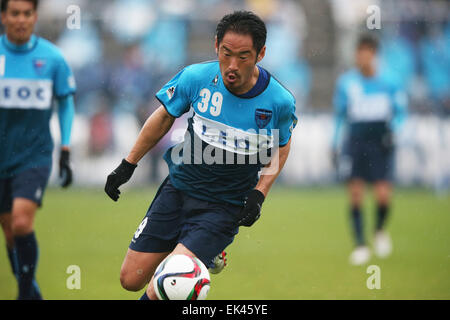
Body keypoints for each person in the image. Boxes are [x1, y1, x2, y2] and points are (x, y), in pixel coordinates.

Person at [105, 11, 297, 300]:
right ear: (216, 45)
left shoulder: (279, 101)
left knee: (170, 284)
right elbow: (163, 117)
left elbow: (282, 144)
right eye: (226, 53)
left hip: (223, 208)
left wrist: (259, 193)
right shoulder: (196, 77)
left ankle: (200, 249)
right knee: (130, 279)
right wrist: (127, 164)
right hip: (178, 191)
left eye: (243, 56)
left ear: (261, 54)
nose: (232, 65)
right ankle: (204, 253)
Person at [0, 0, 76, 299]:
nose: (21, 20)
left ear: (35, 17)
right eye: (15, 13)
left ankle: (22, 294)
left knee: (21, 221)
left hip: (34, 154)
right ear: (3, 16)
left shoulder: (52, 59)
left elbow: (66, 101)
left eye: (27, 14)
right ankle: (32, 294)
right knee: (10, 232)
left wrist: (65, 147)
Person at [331, 34, 408, 266]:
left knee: (383, 194)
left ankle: (379, 230)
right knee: (355, 194)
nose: (362, 57)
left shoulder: (391, 81)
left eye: (366, 52)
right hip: (355, 140)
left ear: (374, 54)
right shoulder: (347, 82)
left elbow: (401, 113)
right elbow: (340, 116)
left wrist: (394, 130)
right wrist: (333, 142)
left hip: (380, 141)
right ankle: (361, 245)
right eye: (359, 52)